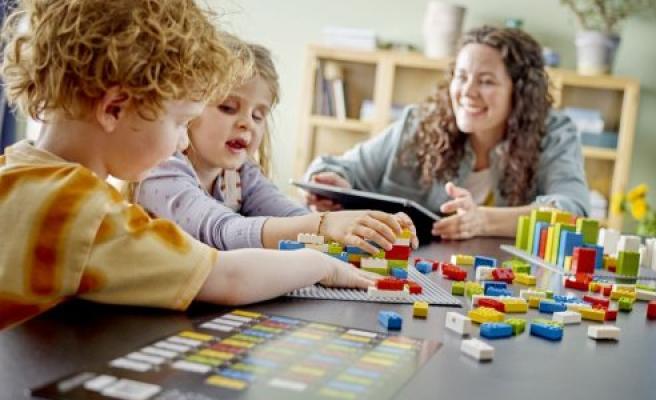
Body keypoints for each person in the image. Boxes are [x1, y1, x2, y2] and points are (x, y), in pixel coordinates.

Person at [0, 0, 376, 330]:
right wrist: (320, 265)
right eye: (179, 123)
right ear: (114, 108)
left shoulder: (14, 169)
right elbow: (228, 278)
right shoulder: (84, 211)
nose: (183, 141)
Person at [134, 38, 417, 255]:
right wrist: (326, 225)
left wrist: (363, 231)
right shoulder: (162, 170)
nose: (247, 124)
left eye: (259, 115)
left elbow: (291, 216)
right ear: (189, 109)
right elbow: (222, 231)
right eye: (229, 107)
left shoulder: (238, 174)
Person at [305, 26, 590, 240]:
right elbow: (338, 168)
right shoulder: (421, 123)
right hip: (412, 272)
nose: (467, 92)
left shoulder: (554, 133)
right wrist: (333, 183)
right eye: (462, 77)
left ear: (520, 93)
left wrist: (484, 221)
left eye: (486, 81)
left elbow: (572, 212)